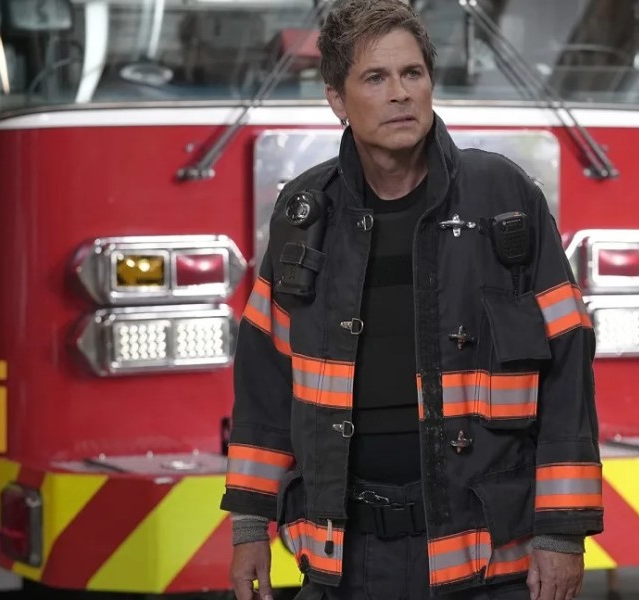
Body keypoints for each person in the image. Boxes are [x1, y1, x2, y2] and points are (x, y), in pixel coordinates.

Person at [221, 1, 602, 598]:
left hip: (484, 563)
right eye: (376, 77)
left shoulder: (504, 199)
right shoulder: (306, 214)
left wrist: (561, 534)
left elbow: (569, 368)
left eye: (412, 73)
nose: (400, 93)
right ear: (337, 99)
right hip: (343, 562)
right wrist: (249, 525)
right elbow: (264, 382)